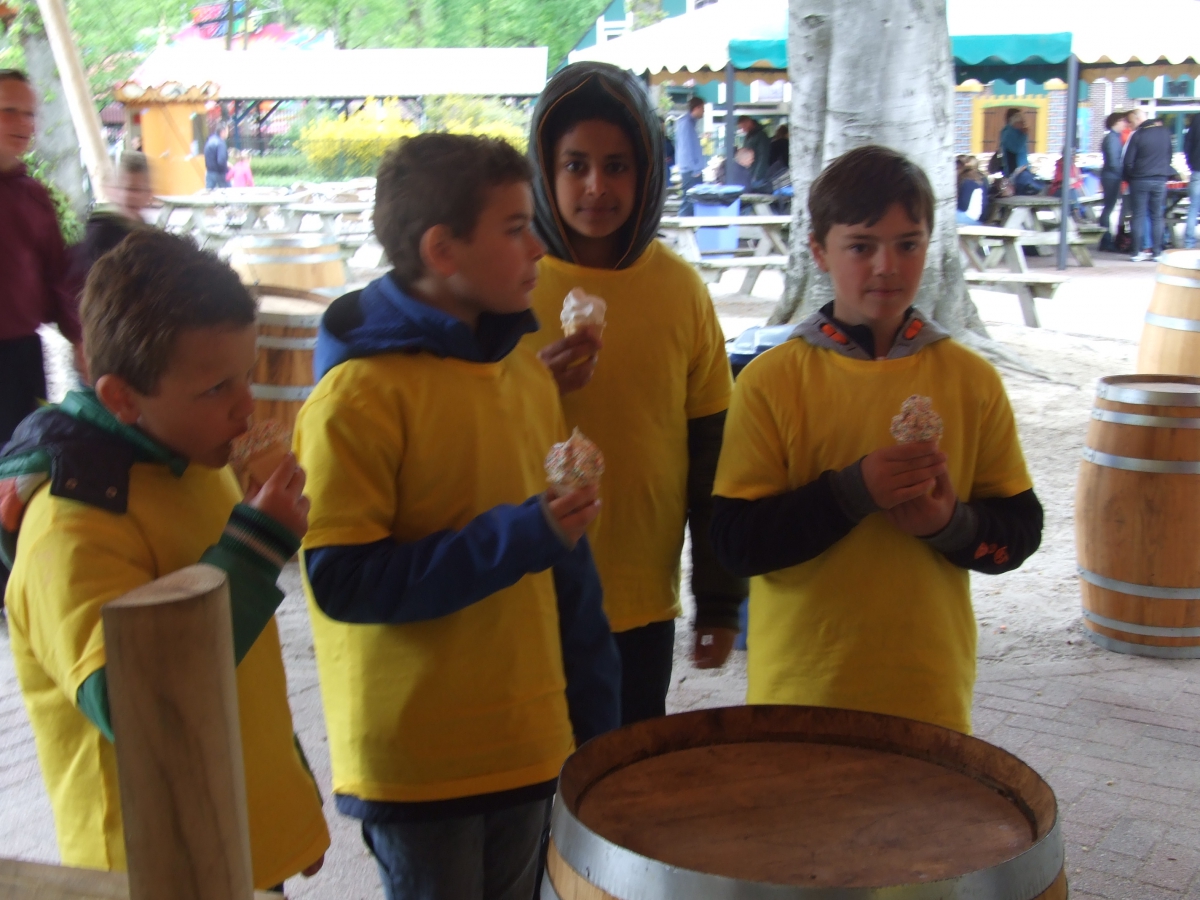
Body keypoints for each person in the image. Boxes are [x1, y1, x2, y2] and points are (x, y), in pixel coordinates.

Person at [294, 132, 619, 900]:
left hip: (528, 744)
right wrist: (524, 534)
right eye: (515, 229)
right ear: (443, 250)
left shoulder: (526, 377)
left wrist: (596, 718)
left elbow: (566, 569)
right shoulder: (357, 397)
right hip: (420, 763)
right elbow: (343, 580)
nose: (539, 247)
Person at [0, 230, 330, 890]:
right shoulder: (71, 524)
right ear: (122, 398)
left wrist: (288, 801)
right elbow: (131, 706)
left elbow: (245, 671)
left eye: (249, 375)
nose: (247, 407)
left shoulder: (195, 462)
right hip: (151, 865)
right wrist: (255, 547)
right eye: (216, 388)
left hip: (237, 838)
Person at [708, 145, 1044, 735]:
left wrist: (951, 525)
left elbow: (1019, 534)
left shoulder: (971, 381)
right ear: (819, 251)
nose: (887, 266)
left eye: (907, 244)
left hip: (929, 696)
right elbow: (736, 545)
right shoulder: (771, 382)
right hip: (800, 694)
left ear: (929, 246)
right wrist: (850, 493)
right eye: (861, 247)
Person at [524, 62, 745, 725]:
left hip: (641, 601)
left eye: (617, 166)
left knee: (627, 774)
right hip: (528, 592)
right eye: (576, 165)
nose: (597, 186)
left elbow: (712, 457)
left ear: (647, 172)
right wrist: (533, 385)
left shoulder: (679, 290)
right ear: (544, 171)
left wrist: (718, 602)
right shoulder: (512, 285)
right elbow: (464, 428)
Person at [0, 68, 82, 447]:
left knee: (22, 457)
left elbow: (57, 276)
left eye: (30, 113)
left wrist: (80, 339)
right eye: (9, 111)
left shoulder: (34, 197)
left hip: (21, 356)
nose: (23, 123)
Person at [67, 151, 154, 290]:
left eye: (138, 190)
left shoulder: (151, 237)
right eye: (128, 189)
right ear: (114, 191)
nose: (132, 196)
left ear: (149, 194)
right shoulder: (100, 233)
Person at [1123, 112, 1173, 261]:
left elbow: (1128, 161)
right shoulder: (1165, 133)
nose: (1132, 126)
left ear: (1138, 119)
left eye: (1132, 122)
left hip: (1140, 179)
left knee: (1138, 215)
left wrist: (1130, 177)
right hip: (1160, 179)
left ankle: (1137, 252)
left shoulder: (1138, 135)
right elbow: (1169, 155)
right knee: (1157, 216)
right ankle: (1157, 252)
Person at [1098, 111, 1129, 251]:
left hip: (1111, 176)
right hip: (1112, 177)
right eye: (1123, 121)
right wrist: (1124, 174)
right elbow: (1113, 162)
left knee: (1109, 208)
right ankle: (1106, 240)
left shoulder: (1114, 137)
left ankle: (1106, 239)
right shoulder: (1112, 139)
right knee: (1108, 208)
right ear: (1115, 122)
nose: (1125, 124)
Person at [998, 108, 1043, 196]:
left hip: (1022, 171)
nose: (1023, 121)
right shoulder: (1008, 132)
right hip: (1015, 173)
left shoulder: (1016, 132)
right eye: (1020, 118)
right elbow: (1016, 149)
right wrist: (1024, 135)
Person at [675, 96, 706, 216]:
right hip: (691, 171)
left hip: (691, 169)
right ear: (697, 108)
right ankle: (682, 225)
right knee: (689, 202)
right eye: (702, 109)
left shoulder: (688, 123)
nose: (703, 112)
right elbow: (686, 148)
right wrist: (695, 169)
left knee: (691, 202)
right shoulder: (686, 124)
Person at [736, 115, 773, 192]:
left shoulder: (761, 136)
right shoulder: (749, 135)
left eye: (743, 126)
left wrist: (757, 176)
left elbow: (763, 157)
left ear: (749, 122)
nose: (743, 130)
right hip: (751, 174)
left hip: (757, 176)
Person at [956, 155, 986, 225]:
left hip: (970, 217)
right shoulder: (982, 177)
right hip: (980, 216)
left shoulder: (966, 181)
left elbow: (963, 206)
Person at [1185, 113, 1200, 250]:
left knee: (1194, 207)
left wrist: (1190, 163)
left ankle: (1189, 243)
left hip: (1197, 168)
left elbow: (1188, 142)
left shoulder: (1197, 119)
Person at [205, 122, 230, 189]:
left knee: (209, 193)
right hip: (220, 174)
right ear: (223, 131)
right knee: (228, 192)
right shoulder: (220, 143)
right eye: (227, 130)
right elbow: (221, 161)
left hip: (209, 173)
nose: (228, 133)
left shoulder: (209, 141)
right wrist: (227, 166)